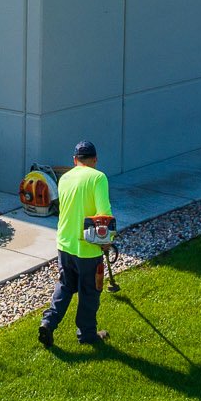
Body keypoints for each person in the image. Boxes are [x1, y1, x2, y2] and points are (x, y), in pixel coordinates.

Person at [38, 140, 114, 347]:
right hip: (87, 248)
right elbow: (104, 214)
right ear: (95, 159)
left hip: (64, 243)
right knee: (90, 290)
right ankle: (87, 334)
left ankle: (48, 322)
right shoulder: (98, 178)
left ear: (74, 160)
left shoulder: (65, 178)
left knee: (65, 284)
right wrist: (107, 242)